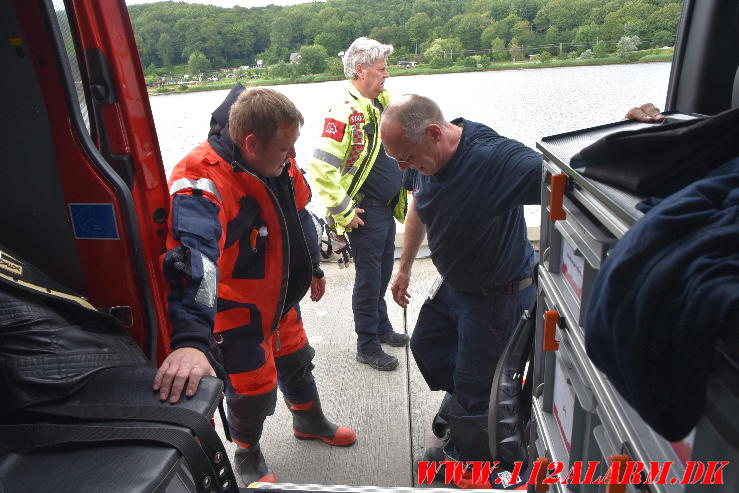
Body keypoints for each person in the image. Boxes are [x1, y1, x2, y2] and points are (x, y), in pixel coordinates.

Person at [384, 95, 663, 487]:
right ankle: (468, 411)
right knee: (429, 344)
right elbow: (419, 204)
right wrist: (405, 266)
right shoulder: (421, 157)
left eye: (406, 159)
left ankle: (474, 463)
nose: (403, 168)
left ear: (434, 133)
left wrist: (628, 132)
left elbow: (574, 175)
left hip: (497, 296)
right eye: (397, 160)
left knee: (478, 384)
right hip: (456, 287)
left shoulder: (494, 161)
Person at [152, 86, 356, 485]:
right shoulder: (200, 180)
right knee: (251, 390)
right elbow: (196, 260)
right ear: (251, 143)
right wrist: (192, 341)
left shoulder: (278, 159)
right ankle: (247, 453)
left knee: (298, 361)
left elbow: (300, 215)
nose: (293, 157)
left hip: (281, 300)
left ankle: (309, 421)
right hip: (236, 310)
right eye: (285, 150)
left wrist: (313, 265)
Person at [308, 37, 409, 372]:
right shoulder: (345, 113)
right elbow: (321, 167)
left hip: (385, 206)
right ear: (361, 70)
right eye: (381, 69)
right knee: (369, 280)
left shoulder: (382, 103)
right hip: (363, 212)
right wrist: (343, 211)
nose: (387, 75)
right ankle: (366, 345)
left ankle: (381, 328)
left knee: (380, 274)